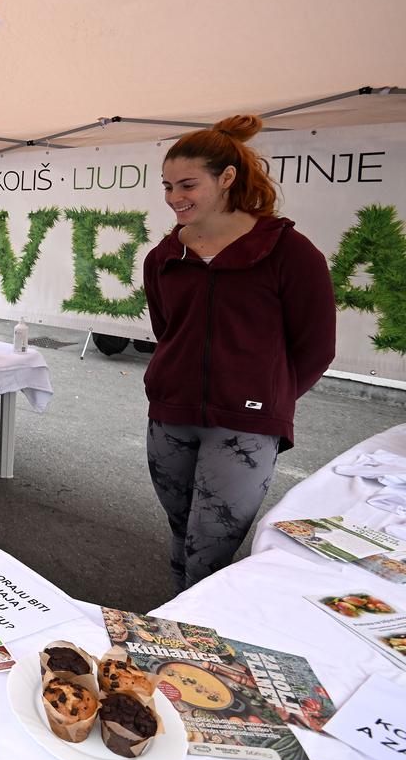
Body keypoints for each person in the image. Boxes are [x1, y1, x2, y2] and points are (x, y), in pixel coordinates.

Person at [143, 114, 336, 592]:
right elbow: (167, 330)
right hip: (171, 412)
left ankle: (190, 631)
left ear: (227, 178)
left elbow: (316, 345)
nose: (173, 197)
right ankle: (173, 613)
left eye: (187, 184)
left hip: (247, 423)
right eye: (167, 186)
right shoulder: (164, 257)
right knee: (180, 525)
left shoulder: (289, 252)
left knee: (211, 543)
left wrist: (268, 393)